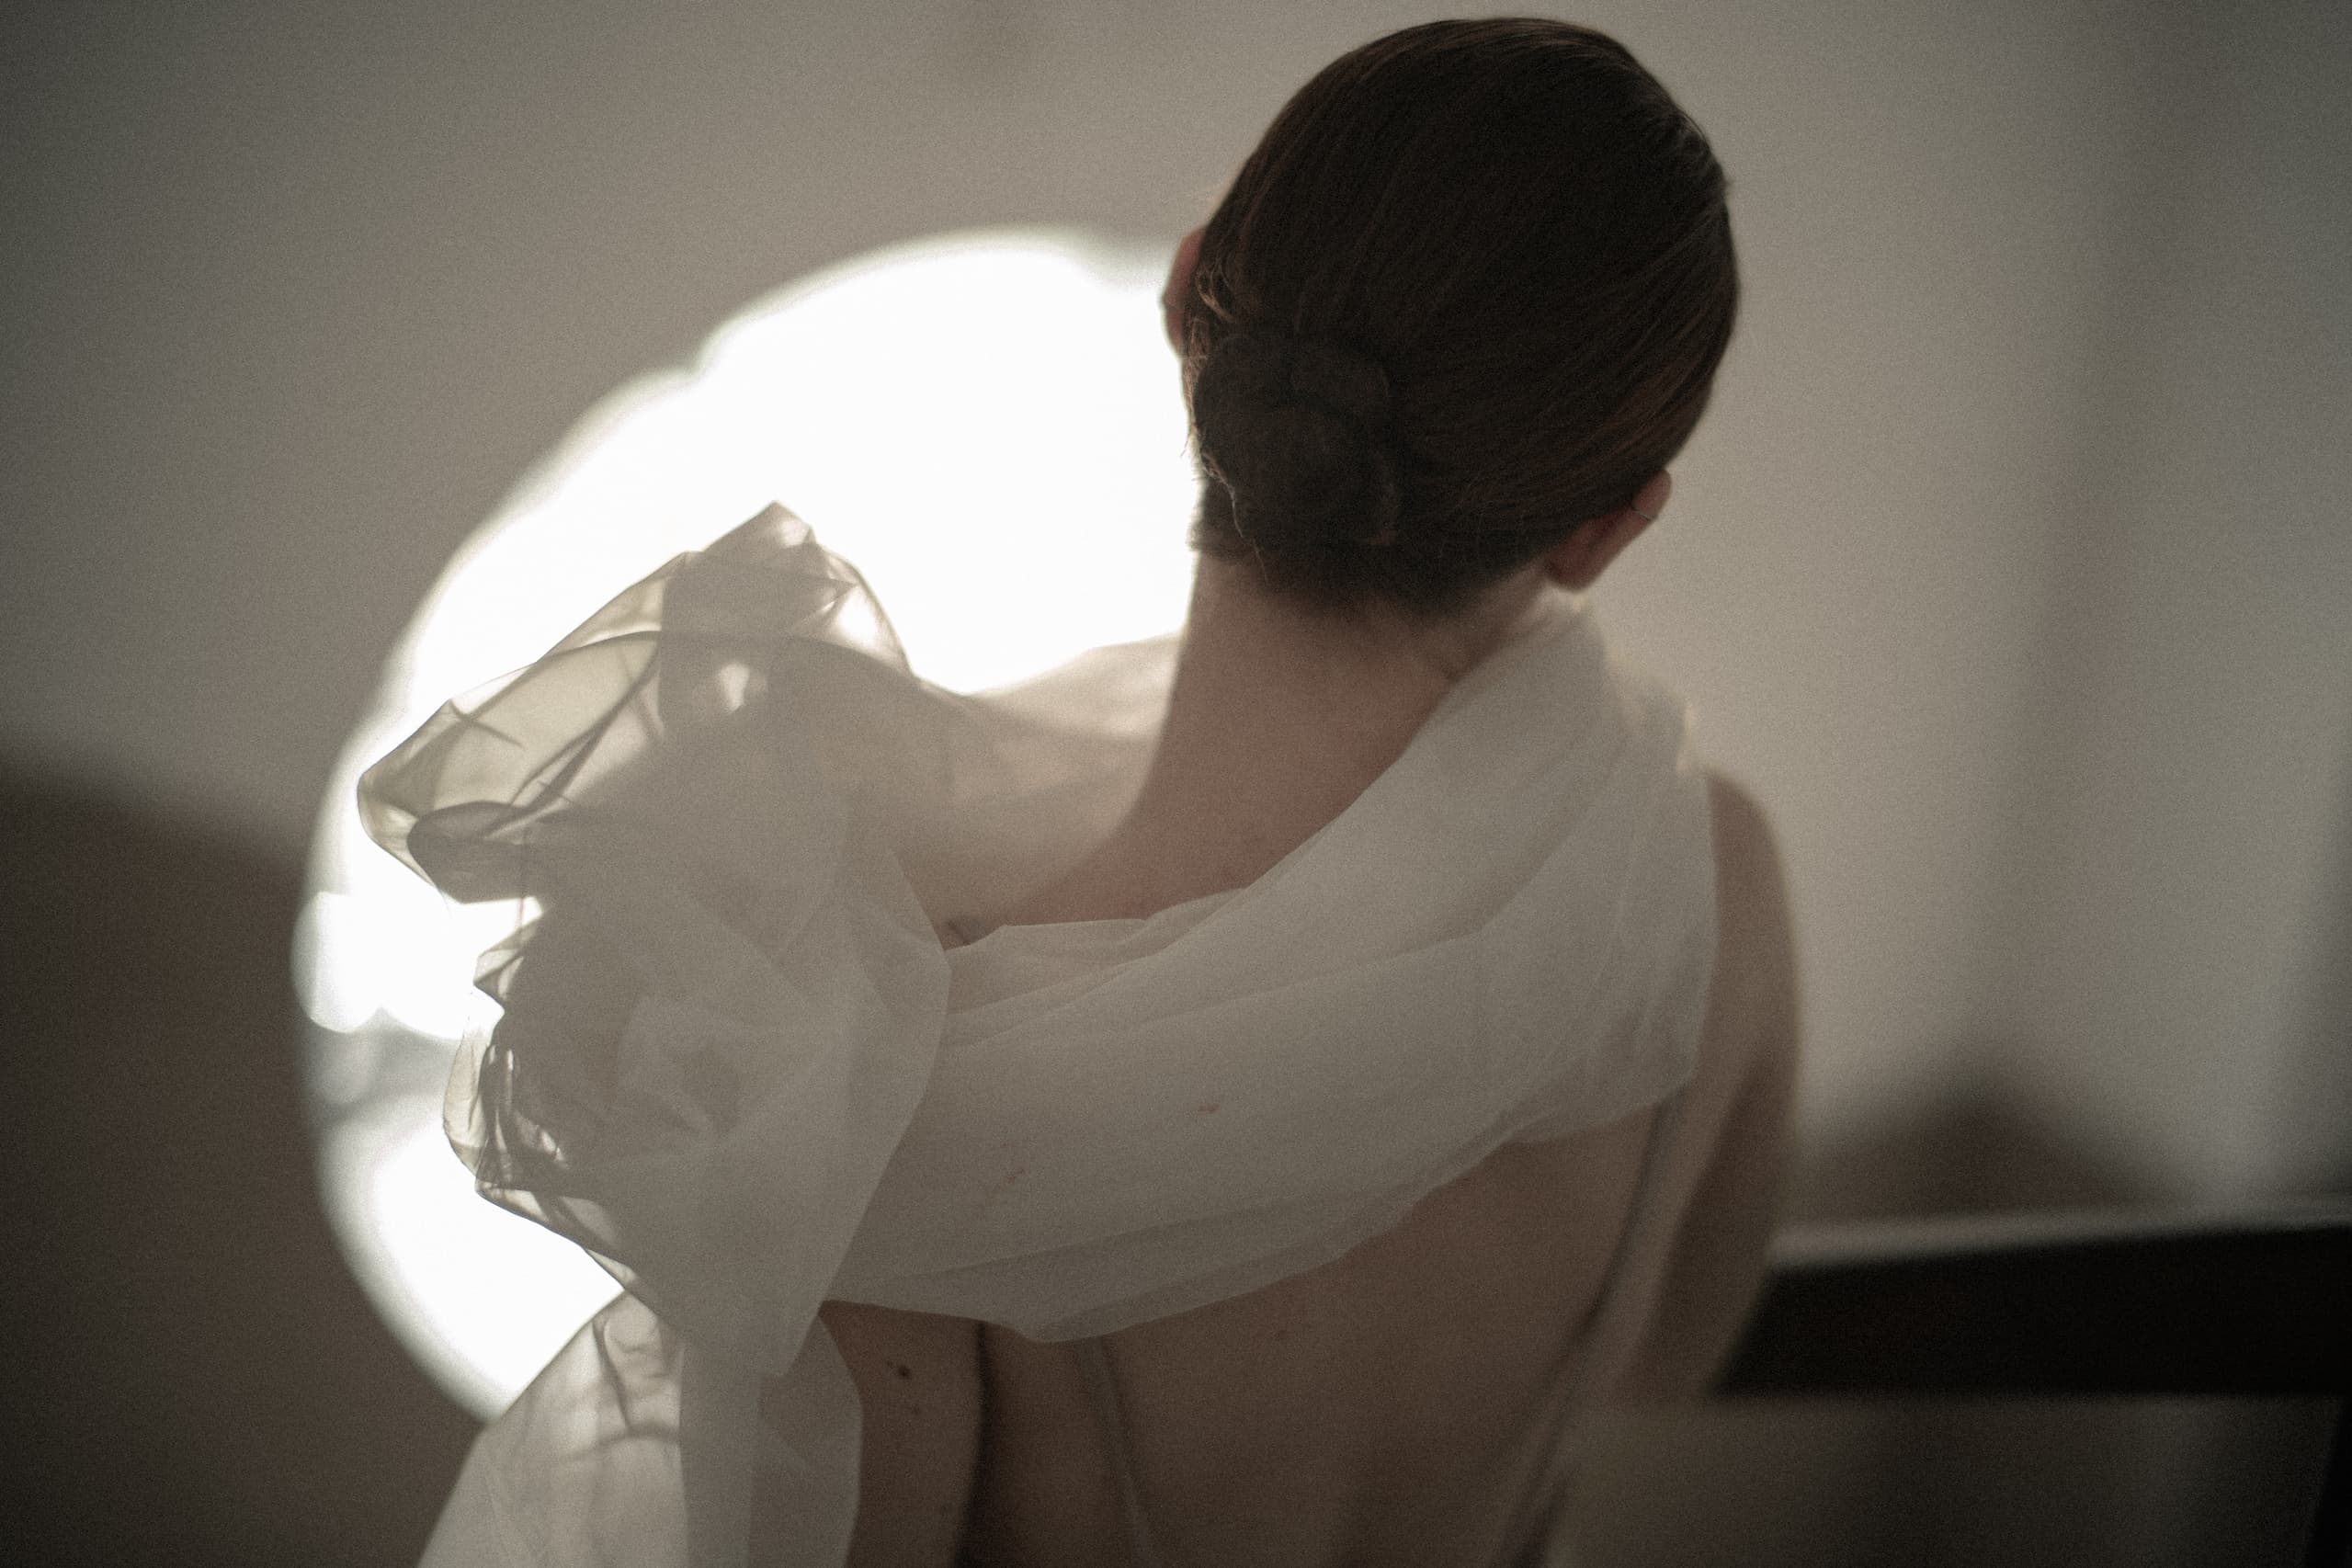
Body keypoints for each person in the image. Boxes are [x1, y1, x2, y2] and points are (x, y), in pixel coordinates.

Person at [360, 17, 1794, 1568]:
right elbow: (1676, 1359)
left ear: (1186, 304)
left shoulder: (912, 1108)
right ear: (1606, 527)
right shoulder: (1716, 882)